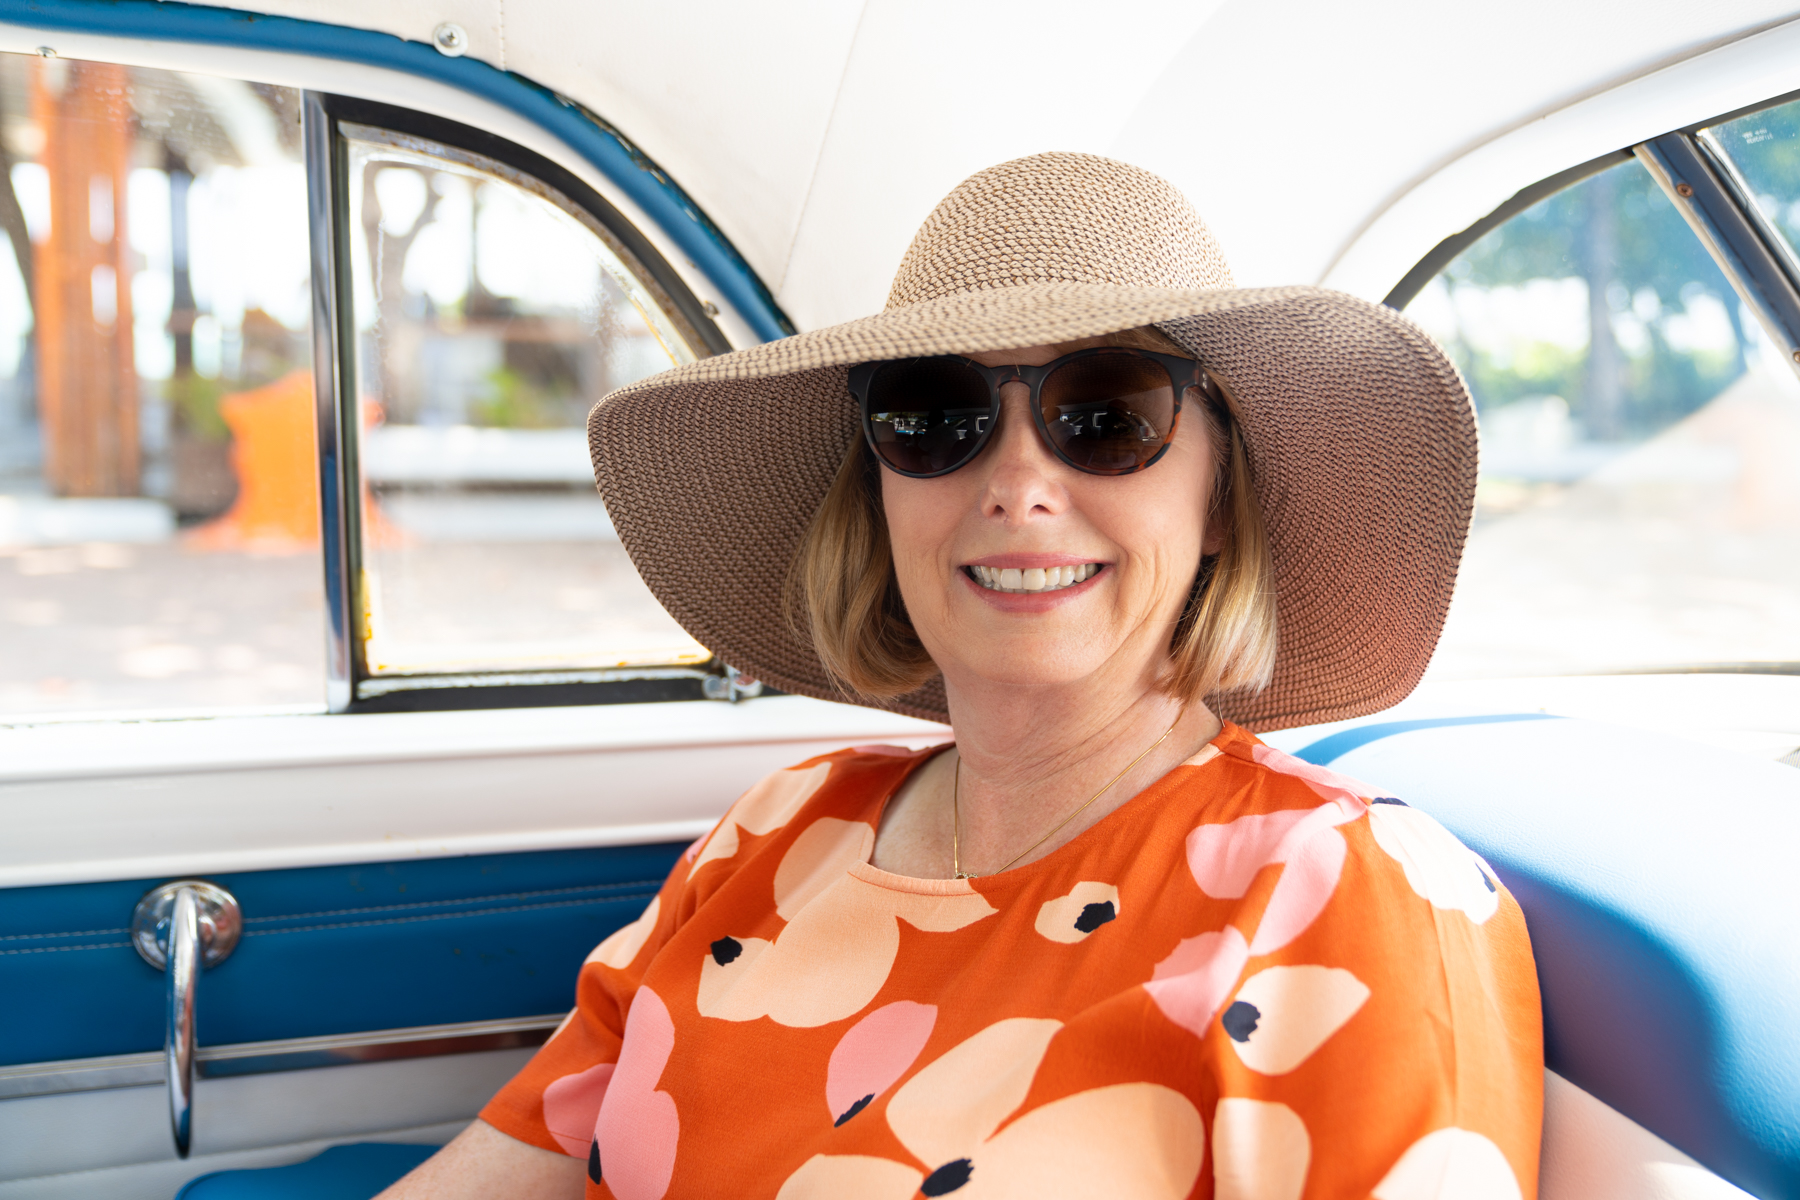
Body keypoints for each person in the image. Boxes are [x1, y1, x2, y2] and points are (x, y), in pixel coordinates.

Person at [381, 152, 1541, 1200]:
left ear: (1221, 500)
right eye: (937, 415)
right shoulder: (779, 828)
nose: (1019, 481)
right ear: (879, 492)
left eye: (1108, 414)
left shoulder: (1344, 888)